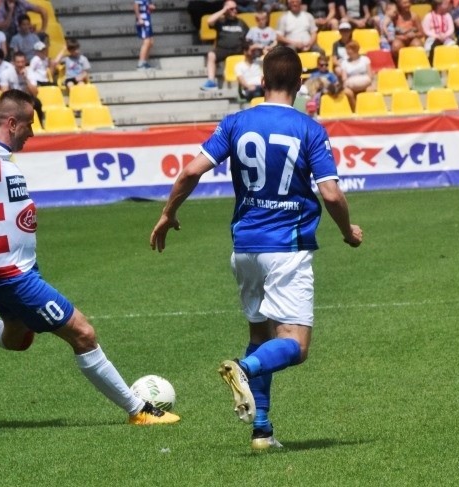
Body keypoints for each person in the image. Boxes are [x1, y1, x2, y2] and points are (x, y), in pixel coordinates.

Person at [0, 89, 180, 427]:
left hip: (10, 270)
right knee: (84, 334)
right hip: (11, 274)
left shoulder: (0, 158)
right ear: (13, 123)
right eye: (29, 125)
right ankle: (139, 410)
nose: (32, 132)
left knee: (15, 339)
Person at [150, 45, 361, 450]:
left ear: (262, 82)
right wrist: (347, 230)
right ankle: (243, 369)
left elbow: (192, 170)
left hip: (245, 247)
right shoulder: (309, 129)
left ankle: (262, 430)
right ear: (301, 83)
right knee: (294, 347)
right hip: (287, 247)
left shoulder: (235, 123)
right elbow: (331, 195)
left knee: (262, 337)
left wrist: (167, 213)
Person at [200, 0, 249, 90]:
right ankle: (211, 82)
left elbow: (248, 37)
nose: (235, 10)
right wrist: (224, 10)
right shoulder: (221, 21)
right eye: (231, 9)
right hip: (222, 49)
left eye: (235, 8)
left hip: (238, 50)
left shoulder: (241, 22)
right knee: (211, 55)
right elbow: (209, 20)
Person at [0, 51, 43, 122]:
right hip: (13, 99)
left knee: (37, 103)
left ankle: (41, 124)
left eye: (22, 62)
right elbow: (5, 92)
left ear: (25, 62)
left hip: (27, 98)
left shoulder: (30, 72)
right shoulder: (6, 73)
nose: (20, 64)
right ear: (13, 62)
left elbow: (35, 93)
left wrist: (26, 79)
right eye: (18, 62)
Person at [338, 39, 373, 109]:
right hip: (351, 86)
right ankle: (356, 110)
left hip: (364, 84)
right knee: (348, 92)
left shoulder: (365, 59)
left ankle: (367, 109)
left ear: (356, 49)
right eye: (347, 49)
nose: (348, 52)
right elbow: (344, 78)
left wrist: (364, 83)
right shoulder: (344, 62)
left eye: (350, 49)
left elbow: (370, 75)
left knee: (370, 90)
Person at [134, 0, 155, 69]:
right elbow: (135, 5)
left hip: (147, 20)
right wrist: (139, 18)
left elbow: (148, 7)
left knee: (151, 42)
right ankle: (141, 63)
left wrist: (151, 8)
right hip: (143, 20)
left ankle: (145, 62)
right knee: (147, 41)